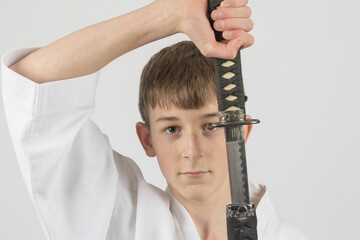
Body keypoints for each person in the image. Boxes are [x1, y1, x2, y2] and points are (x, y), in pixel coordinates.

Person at [1, 0, 309, 239]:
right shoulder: (117, 217)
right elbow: (33, 84)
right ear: (148, 139)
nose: (192, 150)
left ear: (240, 133)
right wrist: (171, 14)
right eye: (172, 129)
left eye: (211, 125)